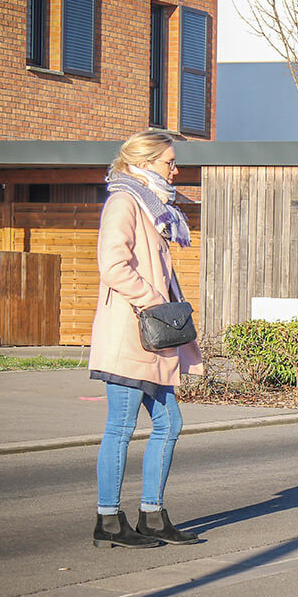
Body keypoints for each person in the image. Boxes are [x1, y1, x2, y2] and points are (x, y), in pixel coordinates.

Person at [89, 131, 203, 549]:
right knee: (120, 427)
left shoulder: (152, 207)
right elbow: (113, 266)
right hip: (130, 334)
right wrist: (156, 300)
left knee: (169, 422)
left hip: (152, 338)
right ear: (145, 161)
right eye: (169, 161)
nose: (176, 169)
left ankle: (152, 515)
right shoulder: (124, 202)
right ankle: (108, 519)